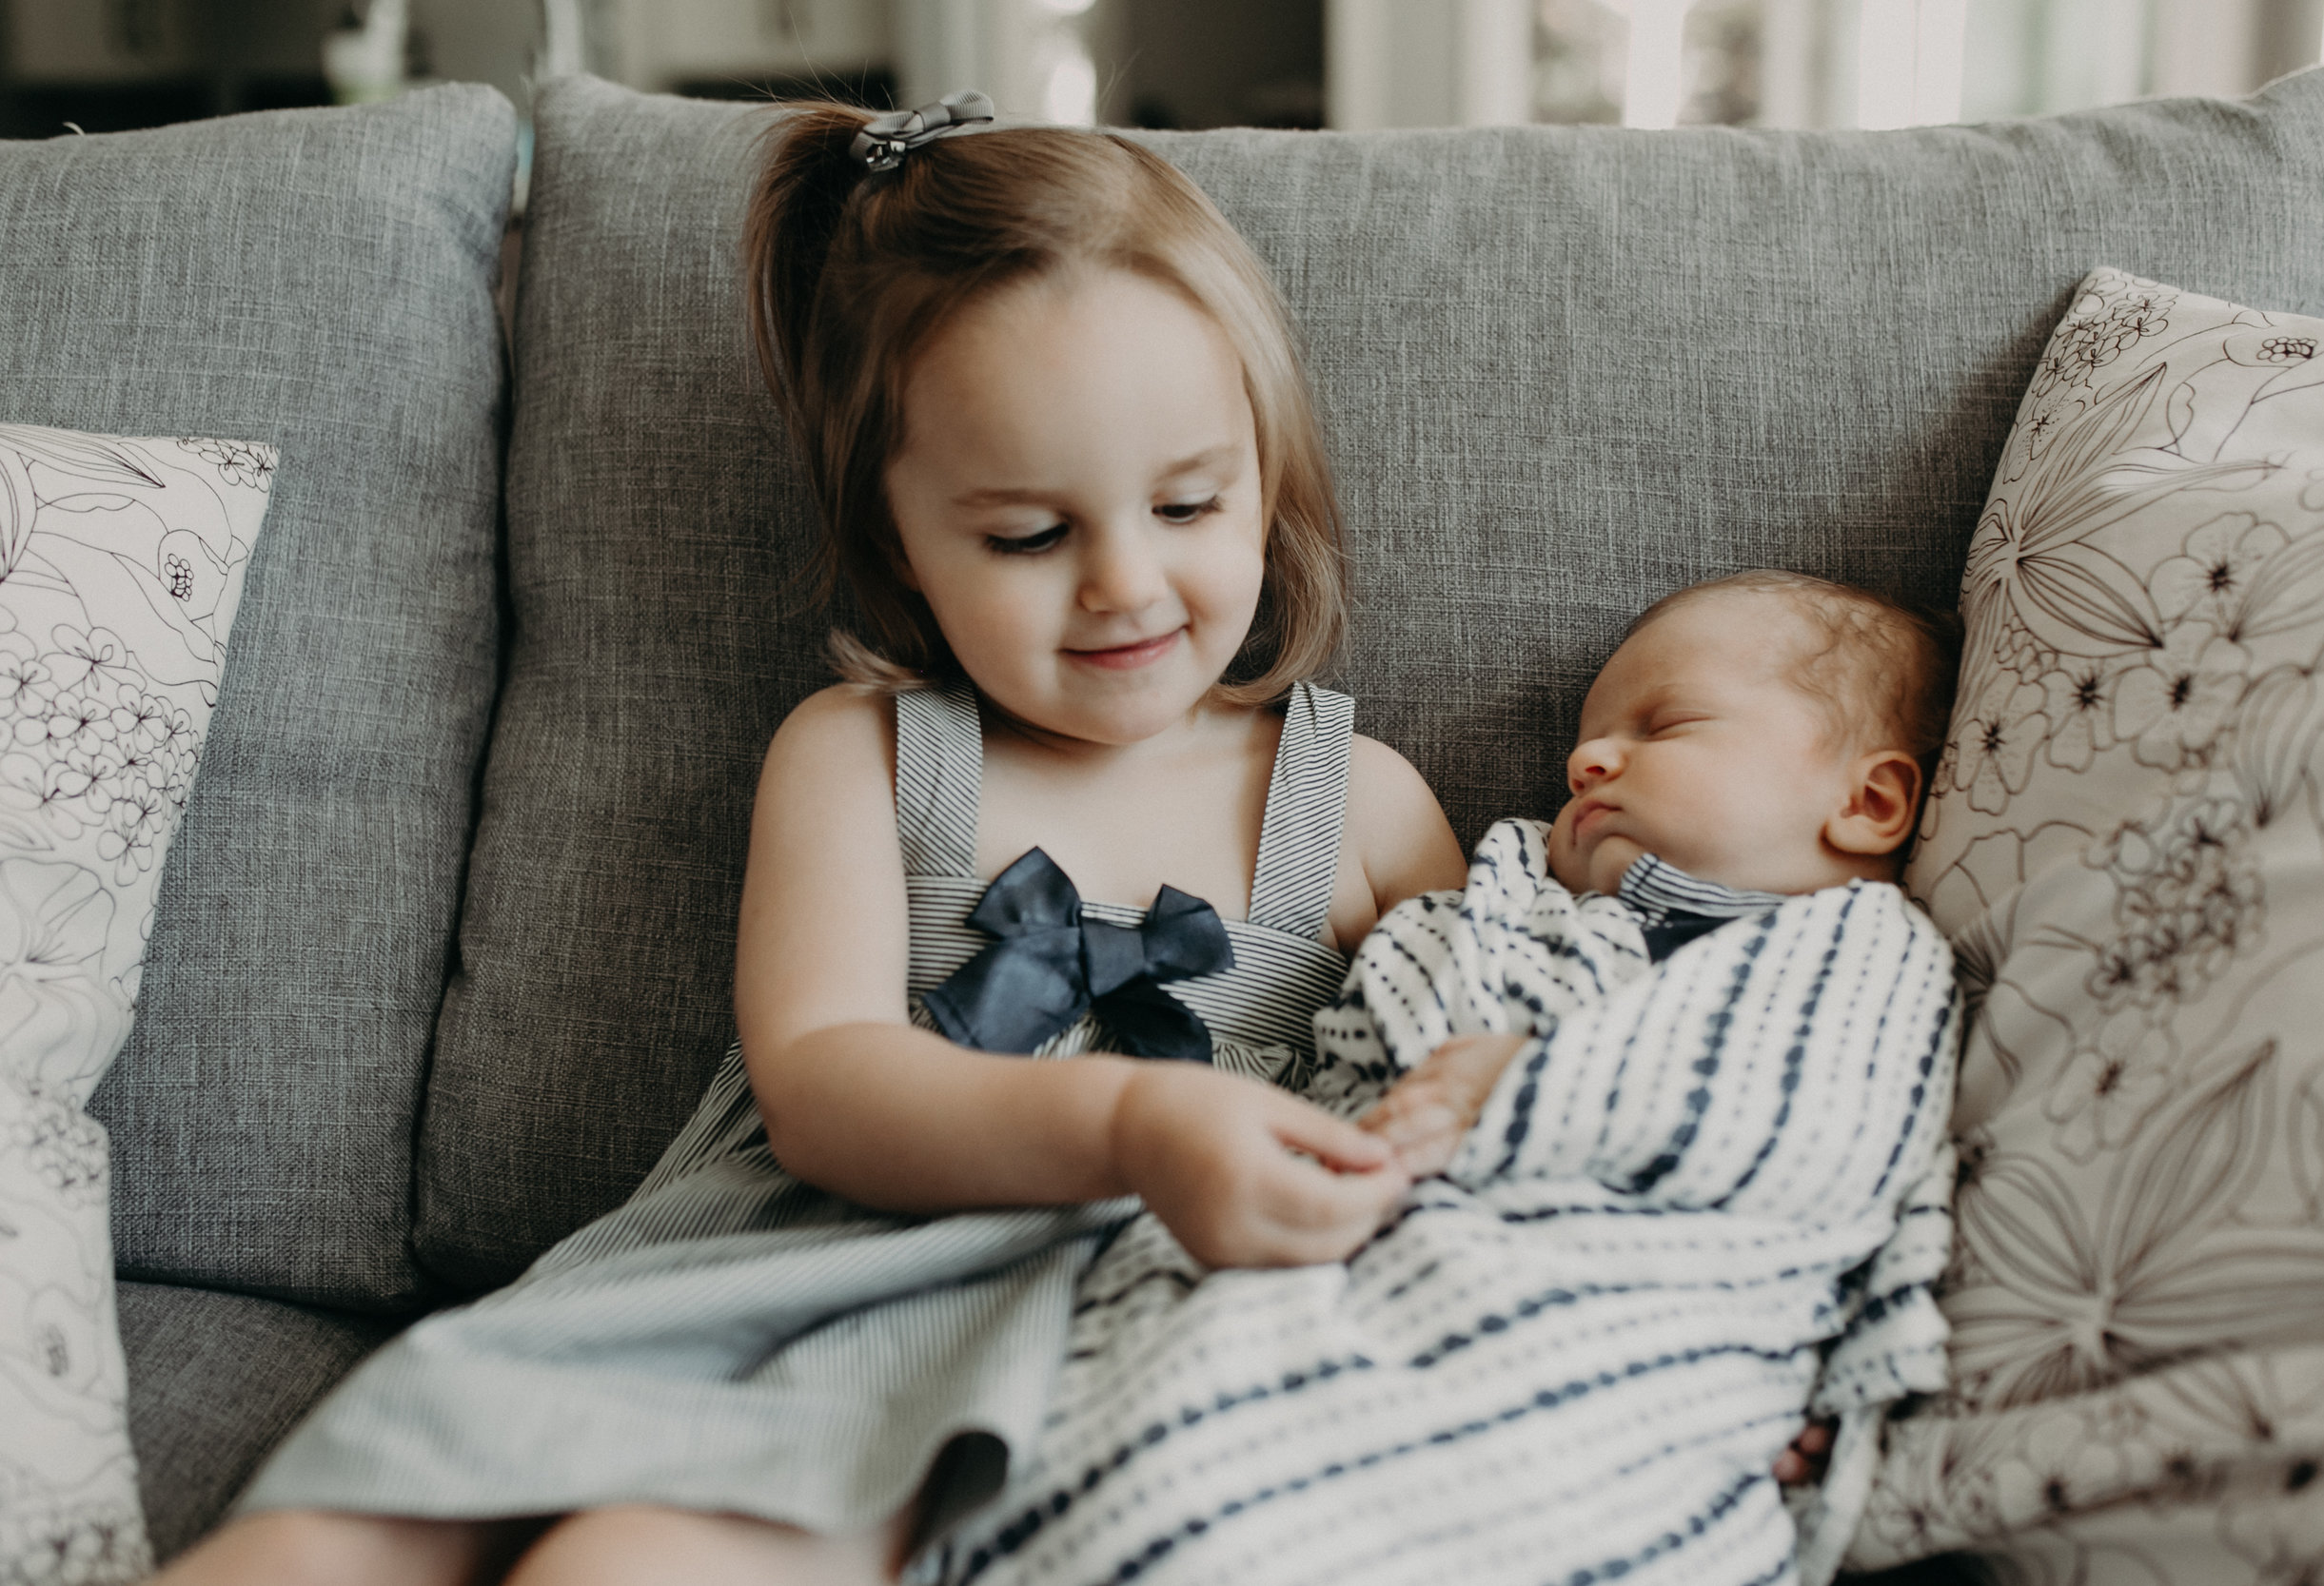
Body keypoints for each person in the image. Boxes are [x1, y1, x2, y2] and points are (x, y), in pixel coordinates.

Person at [153, 93, 1466, 1586]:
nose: (1123, 582)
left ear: (1267, 478)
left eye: (1185, 503)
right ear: (898, 535)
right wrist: (1125, 1122)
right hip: (737, 1261)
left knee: (635, 1559)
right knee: (347, 1521)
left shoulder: (1358, 800)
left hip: (1003, 1321)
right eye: (1030, 535)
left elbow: (1500, 1054)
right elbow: (825, 1088)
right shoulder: (864, 750)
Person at [933, 571, 1965, 1586]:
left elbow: (1817, 1131)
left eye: (1666, 725)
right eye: (1588, 745)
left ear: (1867, 800)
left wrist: (1522, 1083)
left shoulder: (1856, 946)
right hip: (1355, 1287)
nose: (1587, 757)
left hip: (1613, 1360)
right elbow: (1375, 1045)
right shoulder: (1522, 915)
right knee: (1153, 1437)